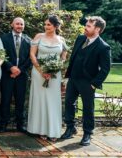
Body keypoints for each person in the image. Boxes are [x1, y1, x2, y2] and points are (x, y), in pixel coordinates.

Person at [61, 16, 111, 146]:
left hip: (88, 82)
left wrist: (94, 84)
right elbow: (74, 57)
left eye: (89, 26)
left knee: (88, 108)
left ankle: (87, 133)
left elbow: (105, 69)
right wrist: (68, 76)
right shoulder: (80, 38)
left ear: (97, 29)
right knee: (69, 103)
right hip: (73, 78)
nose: (85, 27)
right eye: (86, 25)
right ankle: (70, 127)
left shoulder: (103, 47)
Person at [28, 15, 69, 141]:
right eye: (45, 24)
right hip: (38, 73)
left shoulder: (61, 39)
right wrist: (41, 70)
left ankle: (53, 130)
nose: (46, 27)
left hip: (54, 75)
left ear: (56, 26)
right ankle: (41, 130)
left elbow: (63, 57)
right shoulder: (38, 37)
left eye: (49, 25)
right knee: (40, 100)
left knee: (53, 101)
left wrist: (55, 69)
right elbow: (32, 55)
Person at [0, 18, 31, 133]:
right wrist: (10, 67)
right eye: (17, 23)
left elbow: (30, 59)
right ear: (12, 24)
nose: (19, 26)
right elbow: (1, 54)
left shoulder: (28, 40)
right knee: (5, 99)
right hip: (7, 74)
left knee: (20, 100)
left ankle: (20, 124)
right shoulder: (3, 38)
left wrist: (19, 70)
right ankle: (3, 123)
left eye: (22, 24)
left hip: (21, 76)